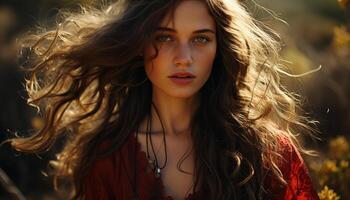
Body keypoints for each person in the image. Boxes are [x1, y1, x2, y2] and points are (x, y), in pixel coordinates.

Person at [7, 0, 321, 199]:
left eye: (200, 39)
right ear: (139, 44)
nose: (183, 58)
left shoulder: (269, 152)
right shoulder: (107, 156)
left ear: (221, 48)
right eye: (164, 37)